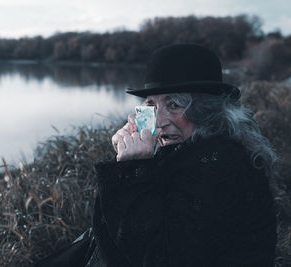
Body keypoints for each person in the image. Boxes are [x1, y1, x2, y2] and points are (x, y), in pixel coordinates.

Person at [36, 44, 277, 267]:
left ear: (207, 111)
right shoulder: (190, 152)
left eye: (174, 104)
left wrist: (132, 169)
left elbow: (154, 258)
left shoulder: (219, 166)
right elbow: (109, 234)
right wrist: (126, 161)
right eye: (151, 105)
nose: (159, 121)